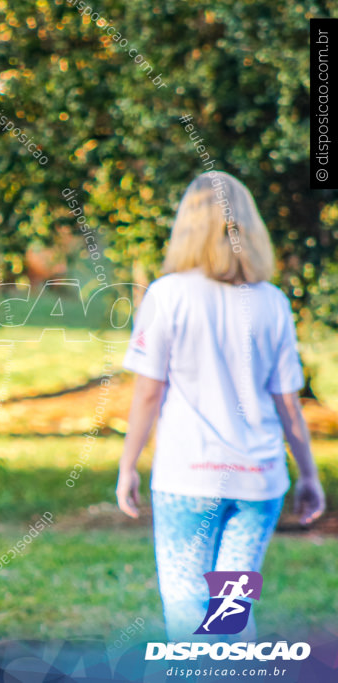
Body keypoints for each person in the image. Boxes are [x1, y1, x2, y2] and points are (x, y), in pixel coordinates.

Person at [115, 171, 326, 641]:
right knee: (232, 609)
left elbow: (149, 392)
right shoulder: (271, 303)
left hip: (188, 478)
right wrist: (309, 475)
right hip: (258, 479)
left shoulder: (166, 295)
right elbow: (289, 405)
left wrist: (128, 465)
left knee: (188, 605)